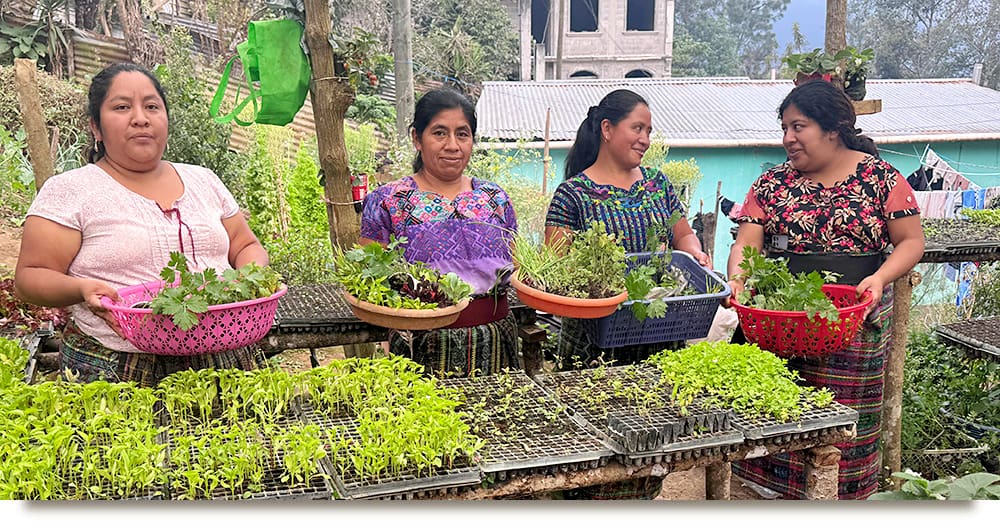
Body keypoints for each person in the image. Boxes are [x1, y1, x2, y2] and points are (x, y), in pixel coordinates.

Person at [725, 79, 925, 499]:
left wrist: (880, 278)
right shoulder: (770, 184)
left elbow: (910, 241)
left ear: (832, 128)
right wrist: (739, 280)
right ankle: (767, 493)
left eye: (798, 127)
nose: (788, 139)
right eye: (784, 128)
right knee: (773, 416)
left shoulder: (880, 178)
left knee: (839, 431)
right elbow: (747, 242)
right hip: (777, 320)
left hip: (852, 319)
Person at [14, 62, 270, 387]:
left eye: (152, 106)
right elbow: (30, 278)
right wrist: (80, 289)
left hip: (225, 356)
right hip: (113, 367)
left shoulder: (204, 180)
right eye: (122, 107)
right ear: (96, 127)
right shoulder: (71, 191)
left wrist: (247, 280)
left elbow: (246, 245)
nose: (140, 118)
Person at [544, 88, 711, 500]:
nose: (645, 139)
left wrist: (695, 252)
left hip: (657, 330)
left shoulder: (657, 185)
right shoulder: (572, 195)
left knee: (649, 448)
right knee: (595, 449)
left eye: (649, 131)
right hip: (596, 340)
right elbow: (558, 266)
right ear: (606, 129)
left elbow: (683, 232)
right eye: (637, 128)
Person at [359, 88, 520, 378]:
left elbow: (517, 266)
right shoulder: (388, 201)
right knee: (428, 421)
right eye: (439, 133)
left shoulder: (494, 198)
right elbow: (369, 277)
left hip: (496, 338)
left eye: (462, 134)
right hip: (421, 345)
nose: (453, 145)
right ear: (417, 139)